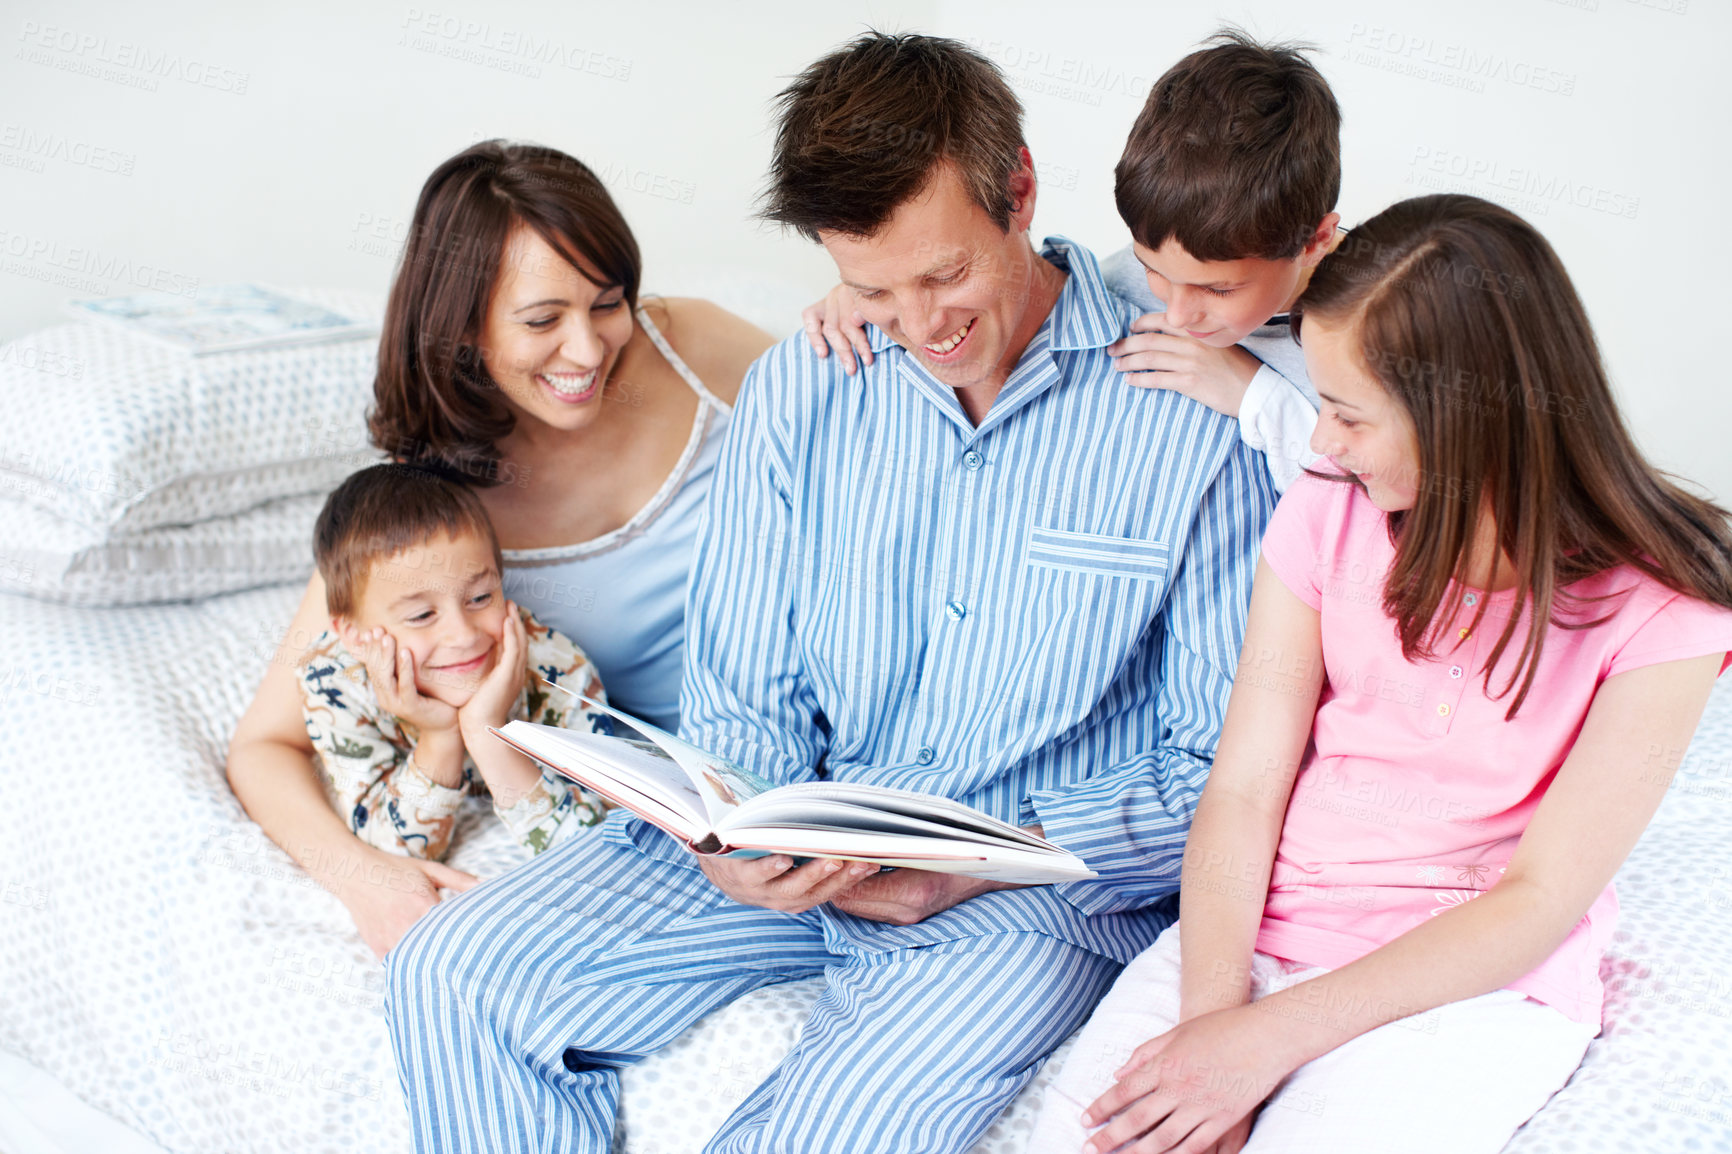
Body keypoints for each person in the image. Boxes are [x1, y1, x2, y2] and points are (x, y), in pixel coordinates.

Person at [385, 33, 1276, 1154]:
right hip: (794, 852)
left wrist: (978, 856)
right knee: (454, 970)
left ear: (1020, 191)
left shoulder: (1193, 412)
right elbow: (739, 689)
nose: (919, 325)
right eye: (872, 286)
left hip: (1021, 896)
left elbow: (1219, 771)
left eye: (945, 273)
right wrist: (730, 834)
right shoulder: (808, 379)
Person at [1029, 194, 1732, 1154]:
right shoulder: (1328, 509)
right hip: (1255, 942)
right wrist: (1210, 1024)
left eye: (1348, 414)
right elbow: (1243, 785)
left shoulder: (1666, 608)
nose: (1320, 442)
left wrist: (1263, 1043)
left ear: (1468, 421)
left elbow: (1539, 898)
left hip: (1467, 980)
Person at [226, 141, 774, 958]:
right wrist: (365, 877)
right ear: (463, 330)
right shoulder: (435, 517)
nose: (588, 351)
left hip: (821, 725)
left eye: (607, 302)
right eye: (542, 320)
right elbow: (264, 746)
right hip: (692, 797)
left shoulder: (687, 344)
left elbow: (889, 431)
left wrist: (847, 319)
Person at [803, 30, 1341, 492]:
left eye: (1218, 291)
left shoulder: (1386, 322)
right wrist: (868, 290)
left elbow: (1388, 517)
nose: (1176, 317)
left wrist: (1259, 402)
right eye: (1154, 269)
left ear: (1315, 241)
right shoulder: (1125, 297)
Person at [301, 462, 609, 862]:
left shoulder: (557, 666)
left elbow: (596, 847)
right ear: (356, 637)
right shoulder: (335, 685)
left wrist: (487, 732)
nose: (464, 635)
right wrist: (439, 736)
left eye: (480, 597)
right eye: (421, 616)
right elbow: (396, 852)